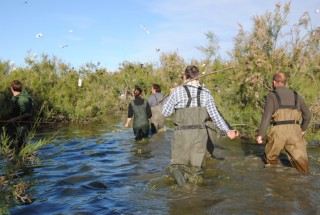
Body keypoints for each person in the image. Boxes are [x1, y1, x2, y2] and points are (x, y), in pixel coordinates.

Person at [162, 65, 238, 185]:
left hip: (182, 134)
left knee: (176, 166)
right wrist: (228, 131)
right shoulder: (206, 92)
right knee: (196, 168)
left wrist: (171, 94)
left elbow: (165, 112)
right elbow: (215, 116)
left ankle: (182, 188)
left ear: (185, 77)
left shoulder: (177, 91)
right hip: (200, 135)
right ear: (198, 78)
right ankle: (194, 190)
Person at [256, 72, 311, 173]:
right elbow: (307, 115)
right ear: (285, 82)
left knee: (270, 161)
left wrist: (261, 134)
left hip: (278, 131)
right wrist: (302, 129)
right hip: (295, 131)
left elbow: (267, 116)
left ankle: (275, 182)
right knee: (302, 167)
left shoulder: (271, 95)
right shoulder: (297, 95)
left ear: (274, 82)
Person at [7, 80, 33, 149]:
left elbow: (28, 114)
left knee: (20, 146)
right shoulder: (16, 97)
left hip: (22, 126)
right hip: (16, 126)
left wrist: (14, 119)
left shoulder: (22, 99)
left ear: (11, 88)